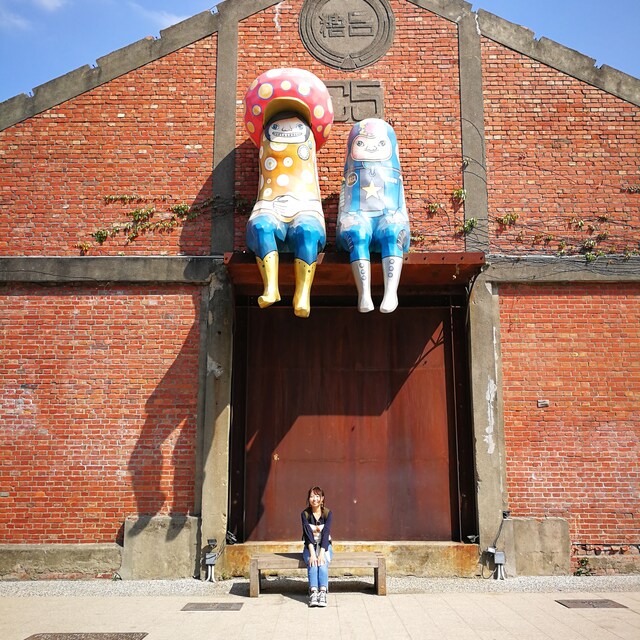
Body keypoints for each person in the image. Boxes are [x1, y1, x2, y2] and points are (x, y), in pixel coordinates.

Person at [301, 486, 333, 607]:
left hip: (325, 546)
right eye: (312, 496)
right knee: (313, 563)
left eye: (317, 496)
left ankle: (323, 592)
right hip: (310, 547)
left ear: (322, 498)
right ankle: (314, 592)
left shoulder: (328, 513)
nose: (314, 499)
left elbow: (326, 533)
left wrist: (321, 554)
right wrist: (313, 554)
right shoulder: (305, 514)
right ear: (308, 499)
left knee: (322, 563)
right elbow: (307, 535)